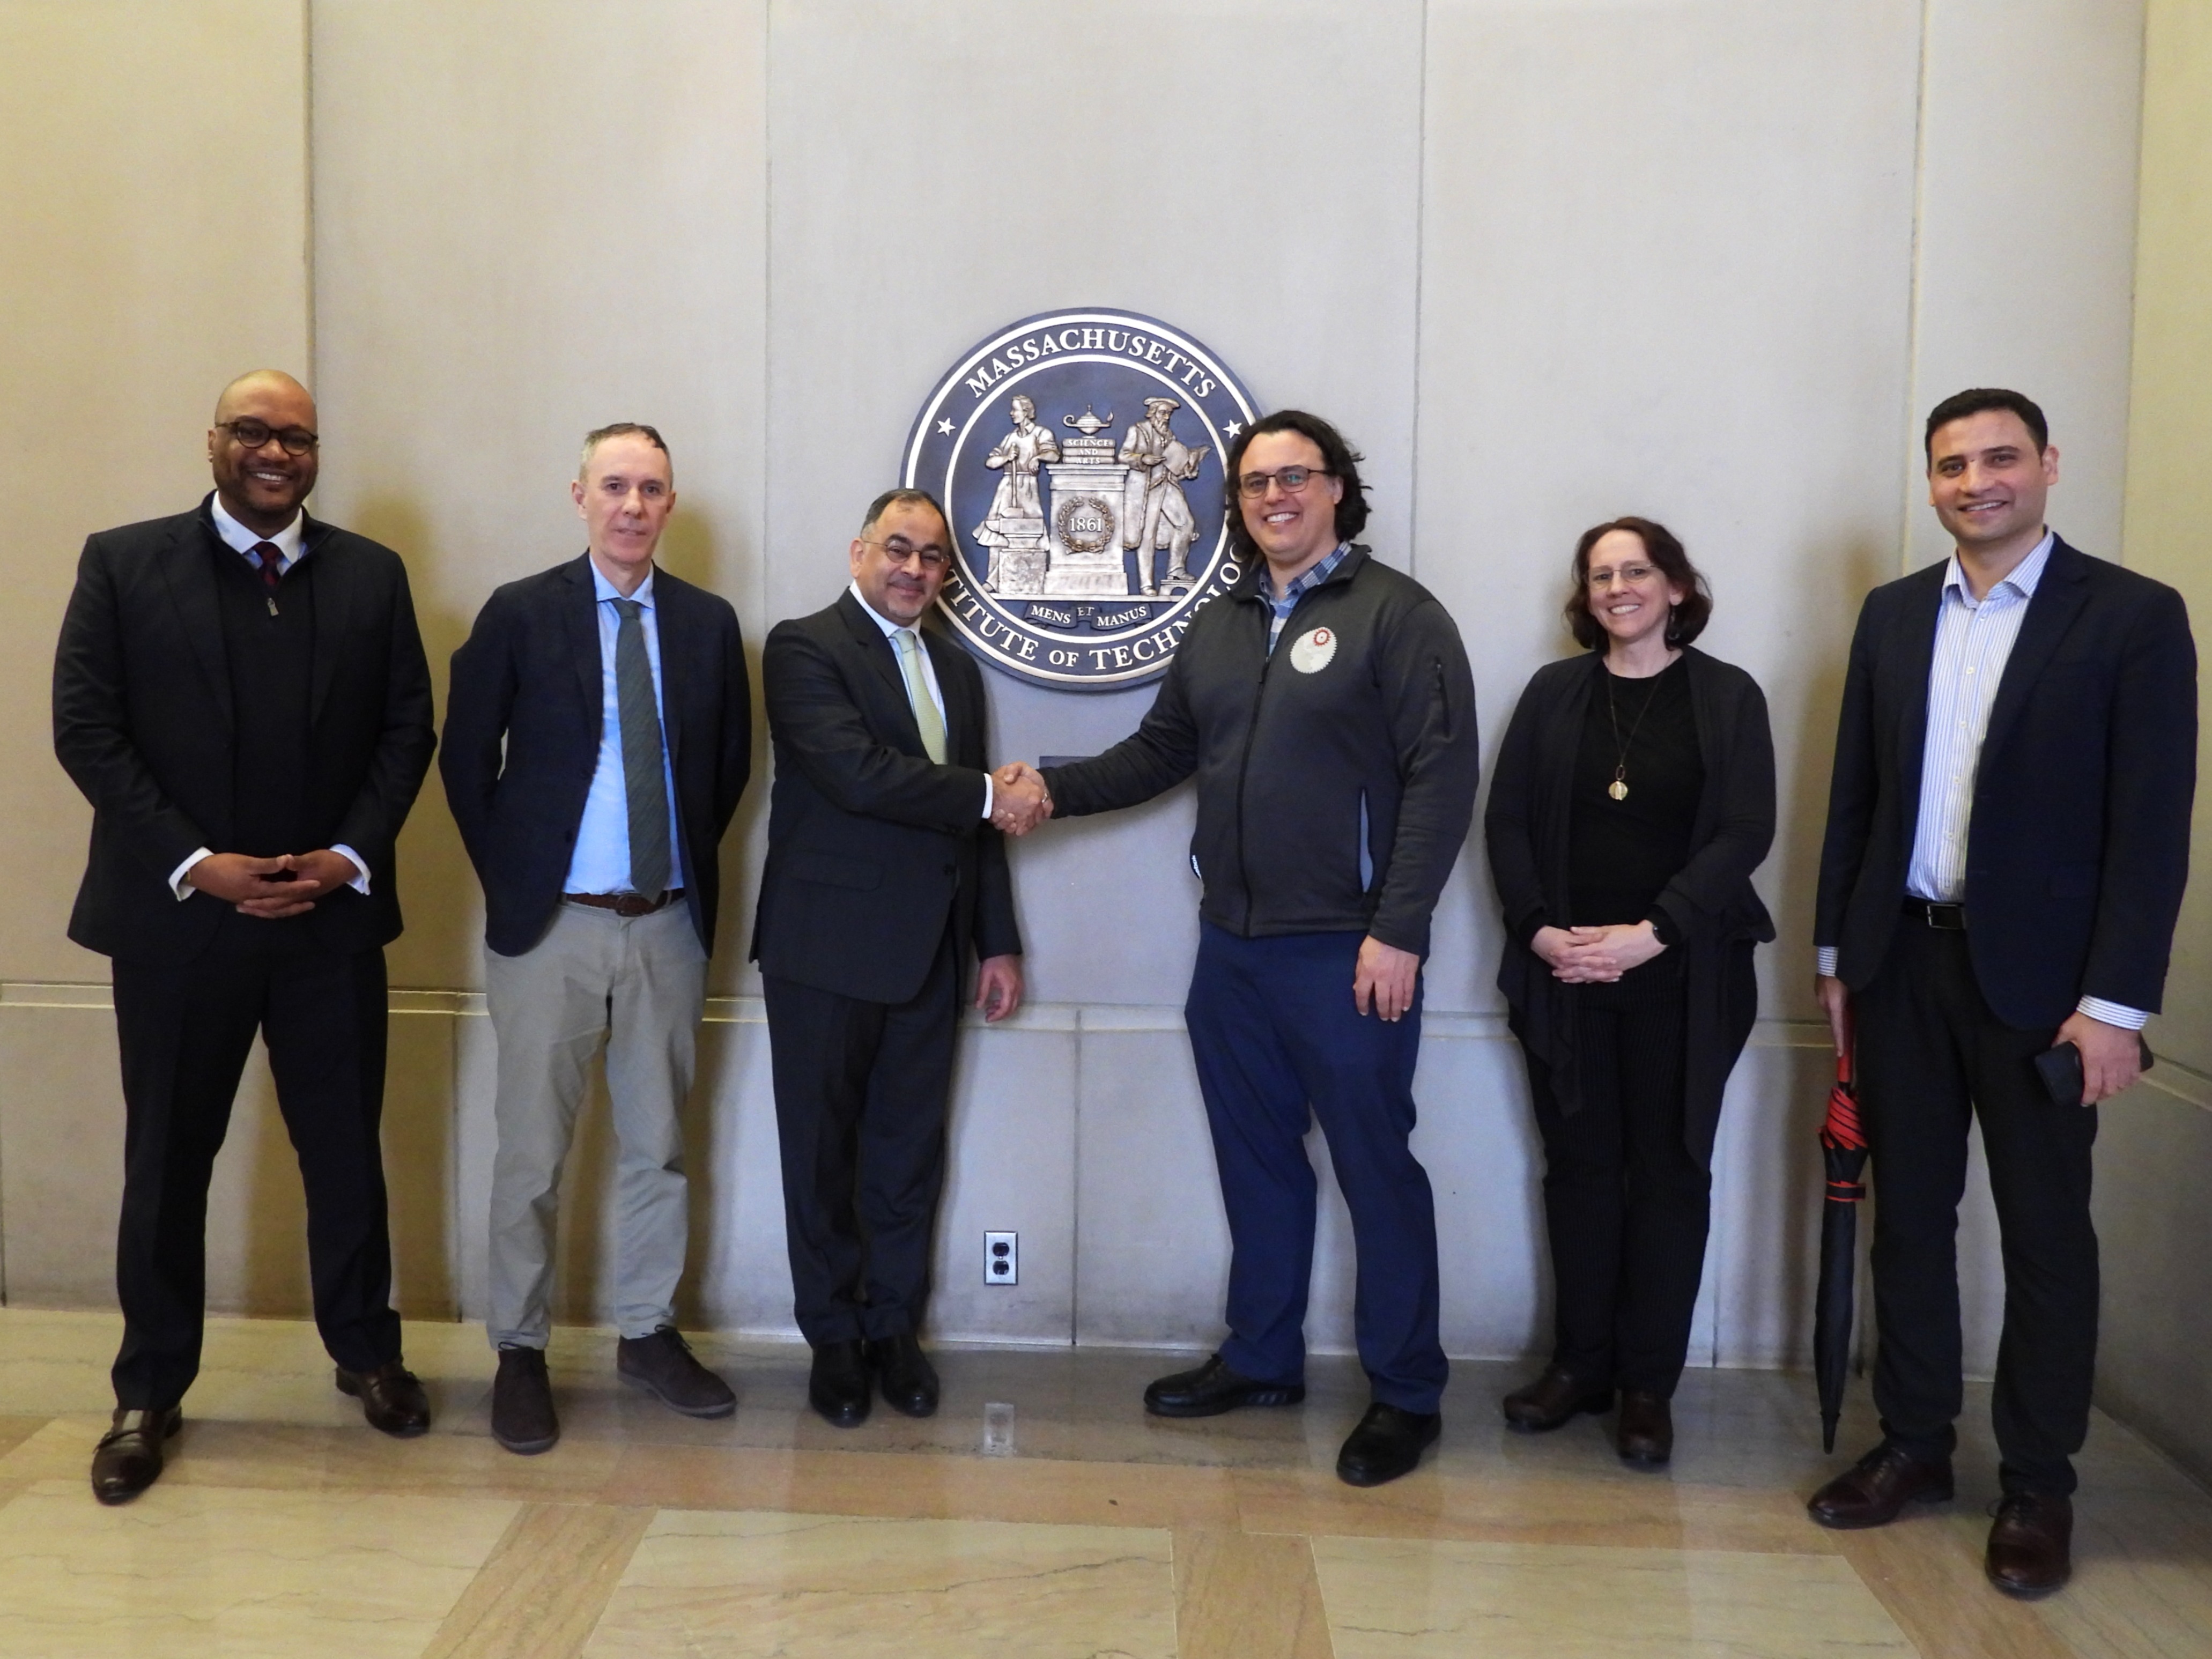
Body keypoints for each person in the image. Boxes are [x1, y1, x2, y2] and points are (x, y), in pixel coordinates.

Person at [1010, 410, 1479, 1487]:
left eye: (1295, 477)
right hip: (1231, 950)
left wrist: (1396, 930)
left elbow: (1440, 779)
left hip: (1347, 952)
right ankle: (1263, 1355)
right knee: (1257, 1163)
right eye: (1255, 482)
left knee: (1375, 1170)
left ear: (1335, 492)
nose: (1273, 497)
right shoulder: (1219, 625)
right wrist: (1048, 787)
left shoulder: (1398, 617)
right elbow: (1158, 752)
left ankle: (1406, 1391)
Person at [1809, 389, 2195, 1595]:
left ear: (2046, 465)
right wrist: (1837, 959)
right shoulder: (1888, 616)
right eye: (1949, 464)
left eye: (1997, 458)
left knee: (2043, 1237)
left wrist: (2117, 1006)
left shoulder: (2130, 617)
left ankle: (2038, 1479)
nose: (1974, 480)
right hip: (1901, 965)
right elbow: (1855, 800)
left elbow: (2149, 828)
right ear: (1928, 481)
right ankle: (1917, 1442)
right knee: (1911, 1219)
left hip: (2045, 991)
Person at [54, 370, 438, 1503]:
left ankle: (366, 1349)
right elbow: (87, 727)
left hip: (329, 918)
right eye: (254, 432)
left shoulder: (372, 573)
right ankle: (149, 1387)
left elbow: (408, 728)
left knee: (343, 1151)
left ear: (318, 453)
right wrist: (196, 863)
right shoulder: (124, 564)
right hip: (178, 925)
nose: (276, 452)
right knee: (167, 1157)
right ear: (214, 440)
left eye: (297, 438)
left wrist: (347, 856)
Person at [441, 423, 752, 1455]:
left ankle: (647, 1330)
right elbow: (463, 757)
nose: (632, 504)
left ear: (670, 504)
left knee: (659, 1146)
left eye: (651, 488)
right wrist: (518, 874)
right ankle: (520, 1349)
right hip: (551, 927)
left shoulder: (708, 624)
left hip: (665, 923)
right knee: (530, 1151)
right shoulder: (522, 612)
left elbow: (725, 770)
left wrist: (664, 870)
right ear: (579, 494)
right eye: (614, 485)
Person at [1485, 517, 1775, 1468]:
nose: (1619, 587)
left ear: (1678, 586)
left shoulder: (1728, 696)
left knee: (1667, 1172)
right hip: (1563, 974)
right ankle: (1580, 1365)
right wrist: (1540, 932)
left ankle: (1648, 1384)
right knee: (1578, 1169)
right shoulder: (1553, 692)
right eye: (1601, 574)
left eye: (1637, 570)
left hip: (1682, 977)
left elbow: (1745, 831)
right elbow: (1509, 822)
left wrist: (1649, 935)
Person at [752, 488, 1038, 1428]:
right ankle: (833, 1337)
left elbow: (976, 826)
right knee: (823, 1154)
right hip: (824, 950)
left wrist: (996, 938)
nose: (914, 568)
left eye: (932, 557)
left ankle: (892, 1330)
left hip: (932, 953)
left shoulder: (957, 670)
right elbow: (856, 772)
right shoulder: (803, 647)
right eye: (898, 549)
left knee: (908, 1156)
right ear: (859, 551)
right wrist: (985, 796)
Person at [1118, 396, 1208, 594]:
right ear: (1152, 413)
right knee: (1147, 536)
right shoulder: (1138, 430)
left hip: (1167, 485)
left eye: (1169, 414)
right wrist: (1143, 459)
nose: (1166, 417)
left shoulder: (1169, 435)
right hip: (1146, 489)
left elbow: (1175, 462)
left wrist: (1188, 466)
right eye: (1163, 413)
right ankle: (1147, 584)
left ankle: (1176, 570)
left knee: (1186, 523)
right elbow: (1123, 455)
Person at [973, 394, 1059, 591]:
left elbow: (1054, 455)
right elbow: (990, 462)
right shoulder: (1010, 438)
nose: (1012, 414)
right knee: (997, 532)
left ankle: (1031, 579)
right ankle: (993, 581)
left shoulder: (1041, 433)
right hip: (1007, 487)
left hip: (1028, 488)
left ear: (1026, 412)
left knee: (1030, 532)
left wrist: (1038, 457)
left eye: (1015, 410)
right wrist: (1006, 458)